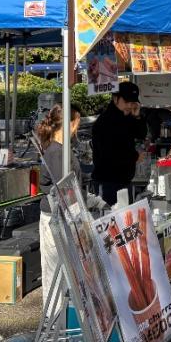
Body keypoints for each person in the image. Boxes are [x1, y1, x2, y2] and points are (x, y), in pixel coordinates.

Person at [37, 103, 83, 311]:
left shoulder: (60, 149)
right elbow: (63, 189)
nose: (78, 129)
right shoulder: (56, 153)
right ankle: (53, 319)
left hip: (66, 215)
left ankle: (62, 317)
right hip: (55, 217)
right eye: (77, 123)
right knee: (54, 271)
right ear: (70, 124)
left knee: (65, 269)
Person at [91, 81, 148, 205]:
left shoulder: (127, 116)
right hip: (108, 181)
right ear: (115, 98)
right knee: (110, 218)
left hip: (124, 179)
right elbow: (110, 153)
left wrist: (137, 116)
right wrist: (134, 157)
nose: (129, 105)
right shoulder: (105, 121)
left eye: (132, 102)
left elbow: (141, 134)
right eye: (126, 102)